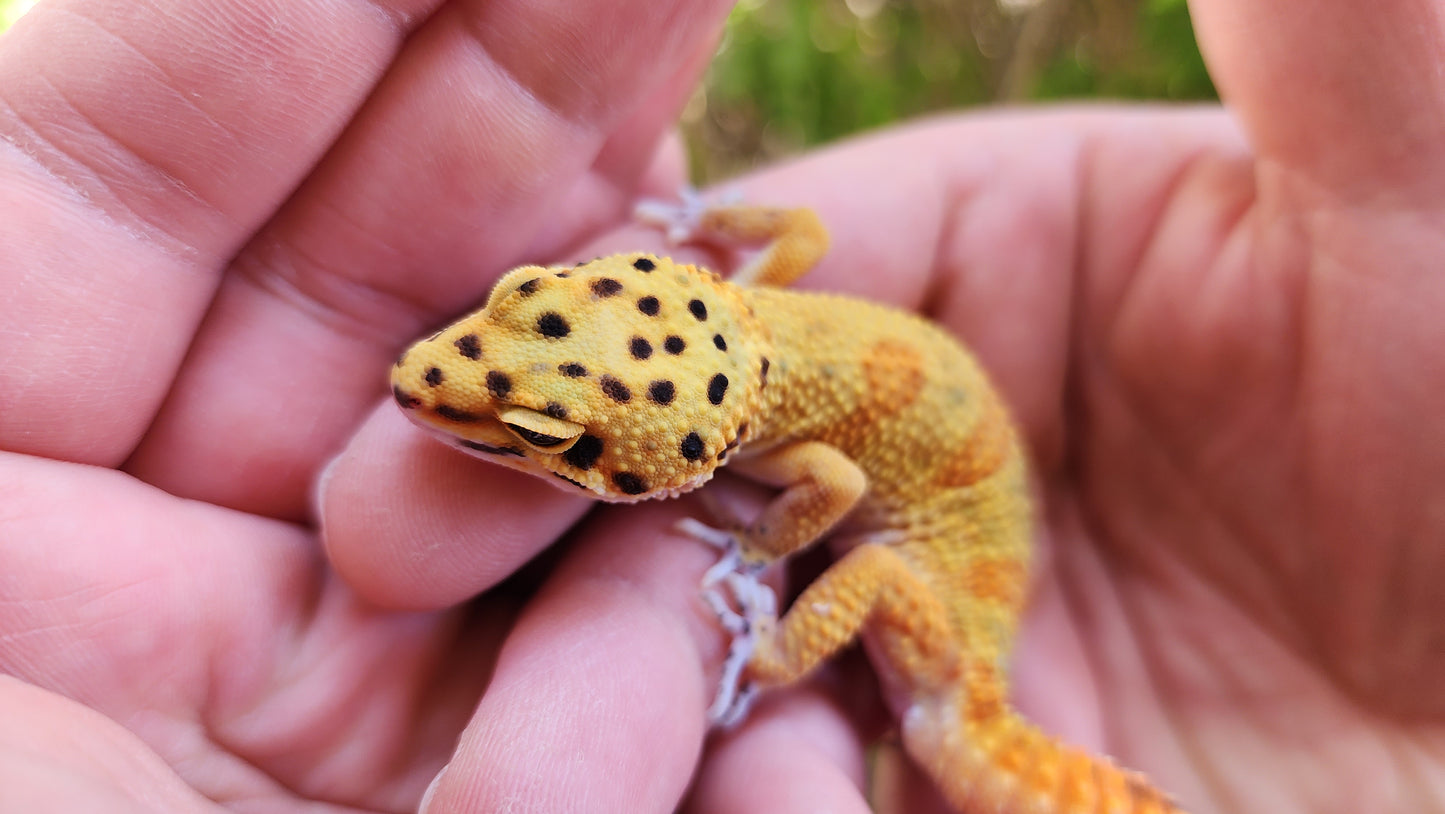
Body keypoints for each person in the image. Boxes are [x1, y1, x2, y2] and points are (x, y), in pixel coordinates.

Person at [1, 0, 1438, 811]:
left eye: (553, 440)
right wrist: (726, 234)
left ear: (660, 465)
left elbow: (839, 518)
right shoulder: (763, 346)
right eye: (517, 323)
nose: (443, 380)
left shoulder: (790, 435)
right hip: (930, 465)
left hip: (956, 620)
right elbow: (794, 281)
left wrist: (767, 589)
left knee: (890, 607)